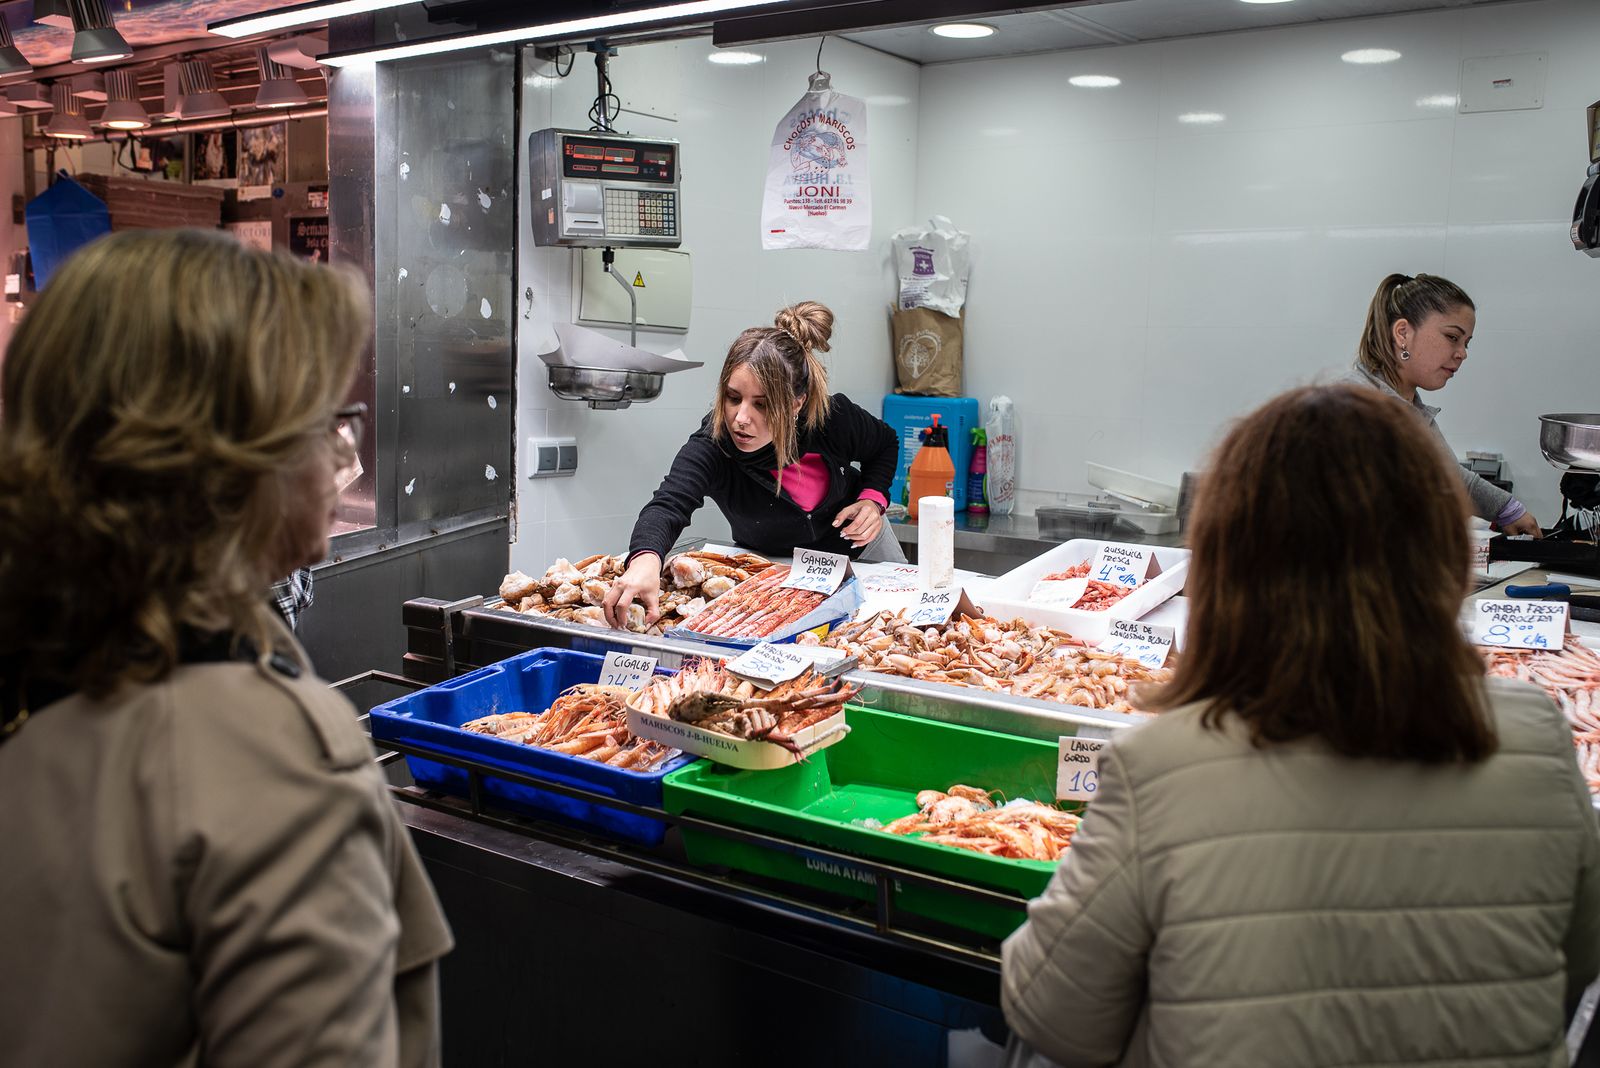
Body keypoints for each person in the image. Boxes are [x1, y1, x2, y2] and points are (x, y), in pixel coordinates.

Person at [1001, 384, 1600, 1068]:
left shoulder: (1162, 765)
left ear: (1230, 561)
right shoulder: (1538, 742)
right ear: (1441, 556)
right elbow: (1573, 969)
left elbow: (1054, 1015)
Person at [0, 229, 453, 1067]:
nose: (343, 450)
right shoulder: (273, 755)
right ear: (222, 462)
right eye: (323, 420)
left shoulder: (55, 667)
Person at [603, 301, 900, 629]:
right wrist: (645, 561)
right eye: (733, 398)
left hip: (865, 551)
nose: (741, 418)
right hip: (777, 568)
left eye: (762, 404)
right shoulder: (715, 445)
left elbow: (885, 444)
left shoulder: (832, 419)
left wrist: (872, 499)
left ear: (796, 403)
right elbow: (668, 505)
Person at [1344, 271, 1541, 536]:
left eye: (1466, 343)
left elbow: (1449, 478)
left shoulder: (1408, 404)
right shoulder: (1354, 406)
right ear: (1403, 332)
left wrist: (1507, 508)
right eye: (1452, 337)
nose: (1462, 353)